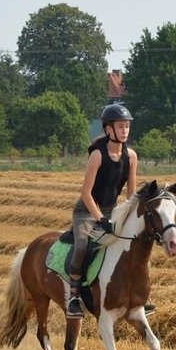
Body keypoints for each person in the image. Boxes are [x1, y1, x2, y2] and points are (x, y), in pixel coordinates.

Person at [67, 102, 138, 317]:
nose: (125, 131)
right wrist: (99, 219)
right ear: (108, 129)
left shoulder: (131, 156)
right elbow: (85, 194)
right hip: (87, 211)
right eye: (120, 126)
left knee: (131, 245)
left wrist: (129, 217)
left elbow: (131, 194)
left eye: (127, 126)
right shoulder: (97, 155)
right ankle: (74, 295)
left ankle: (135, 293)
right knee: (82, 247)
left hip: (111, 211)